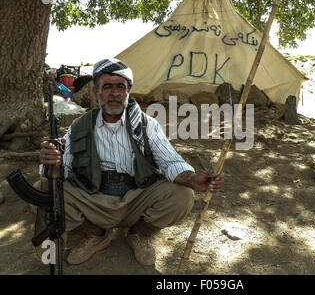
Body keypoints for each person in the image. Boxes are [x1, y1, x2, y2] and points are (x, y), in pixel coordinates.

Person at [38, 58, 224, 266]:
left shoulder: (146, 124)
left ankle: (139, 235)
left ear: (128, 92)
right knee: (45, 189)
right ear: (95, 92)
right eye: (107, 87)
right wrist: (52, 162)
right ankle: (96, 235)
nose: (115, 94)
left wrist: (191, 178)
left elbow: (170, 162)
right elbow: (62, 170)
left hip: (137, 198)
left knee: (182, 195)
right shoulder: (79, 126)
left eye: (121, 87)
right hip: (94, 198)